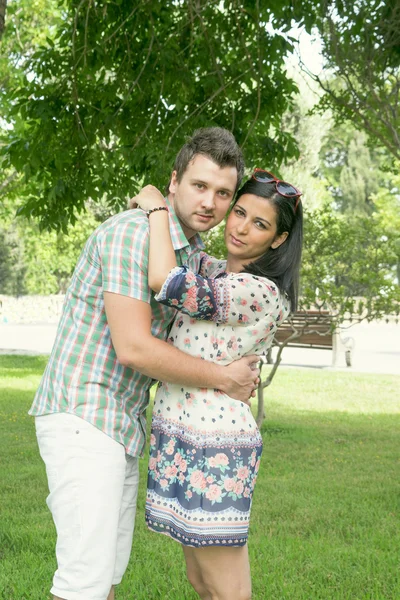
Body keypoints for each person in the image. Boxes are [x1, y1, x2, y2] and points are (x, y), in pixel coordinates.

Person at [29, 127, 261, 600]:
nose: (210, 203)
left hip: (121, 421)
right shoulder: (132, 233)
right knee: (83, 581)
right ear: (174, 181)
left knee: (106, 577)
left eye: (223, 193)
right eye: (199, 186)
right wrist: (224, 379)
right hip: (85, 413)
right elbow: (133, 348)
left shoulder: (186, 250)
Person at [132, 169, 303, 600]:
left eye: (260, 224)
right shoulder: (216, 271)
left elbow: (166, 282)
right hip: (184, 438)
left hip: (216, 448)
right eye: (240, 212)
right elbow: (186, 259)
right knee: (200, 581)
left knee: (228, 590)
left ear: (278, 239)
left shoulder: (258, 290)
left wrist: (156, 207)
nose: (242, 227)